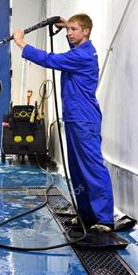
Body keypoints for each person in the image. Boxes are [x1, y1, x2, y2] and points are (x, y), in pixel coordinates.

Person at [12, 13, 114, 232]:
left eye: (74, 30)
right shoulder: (79, 52)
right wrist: (66, 24)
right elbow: (69, 50)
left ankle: (104, 219)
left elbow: (51, 60)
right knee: (77, 169)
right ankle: (87, 215)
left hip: (84, 119)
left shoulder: (83, 56)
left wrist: (22, 44)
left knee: (92, 168)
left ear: (86, 31)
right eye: (68, 29)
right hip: (74, 118)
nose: (69, 33)